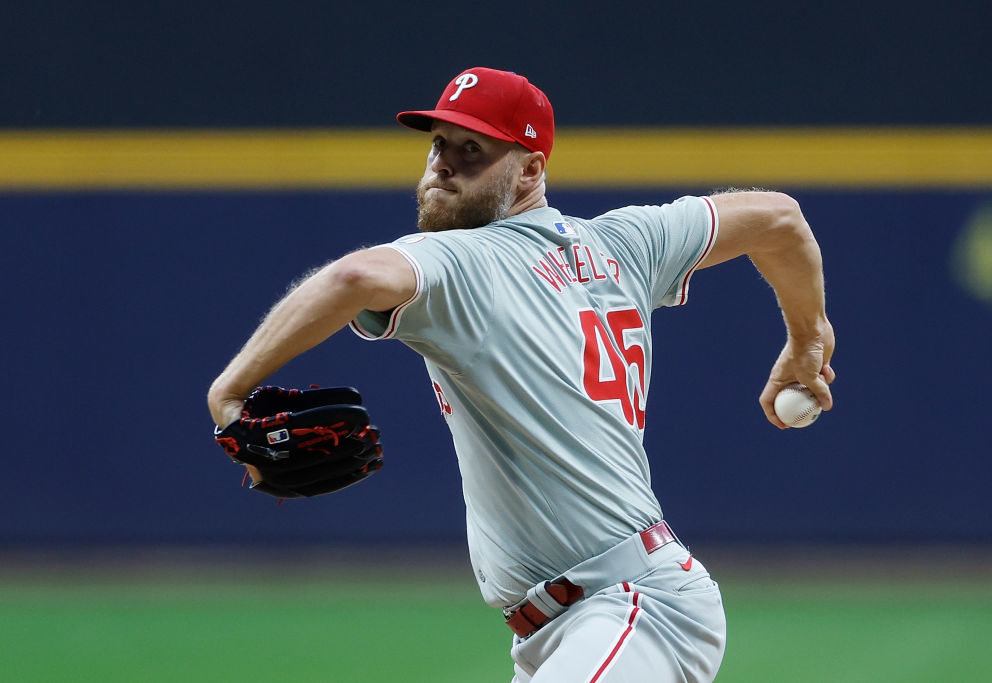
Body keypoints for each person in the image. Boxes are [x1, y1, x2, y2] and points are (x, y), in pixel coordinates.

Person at [207, 67, 836, 682]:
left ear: (531, 168)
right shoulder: (624, 245)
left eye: (472, 149)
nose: (443, 164)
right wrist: (808, 338)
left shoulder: (466, 259)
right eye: (438, 144)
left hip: (631, 610)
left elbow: (353, 279)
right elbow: (777, 218)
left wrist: (230, 391)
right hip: (583, 621)